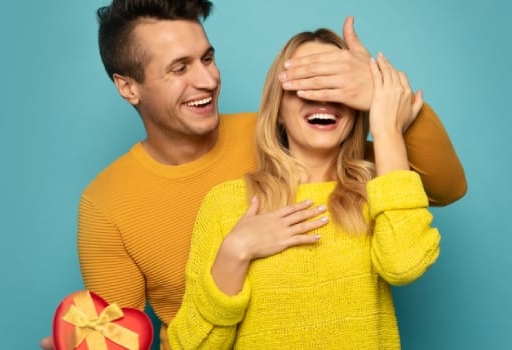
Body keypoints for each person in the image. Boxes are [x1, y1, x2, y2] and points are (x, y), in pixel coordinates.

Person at [41, 0, 465, 349]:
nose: (207, 79)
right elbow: (119, 337)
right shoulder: (107, 205)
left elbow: (435, 186)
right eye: (179, 67)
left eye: (208, 58)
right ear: (128, 86)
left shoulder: (296, 135)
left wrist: (383, 96)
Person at [167, 28, 440, 349]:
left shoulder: (381, 189)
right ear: (278, 109)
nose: (322, 98)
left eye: (336, 86)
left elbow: (404, 265)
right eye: (305, 84)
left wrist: (386, 127)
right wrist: (234, 252)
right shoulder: (227, 203)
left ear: (357, 107)